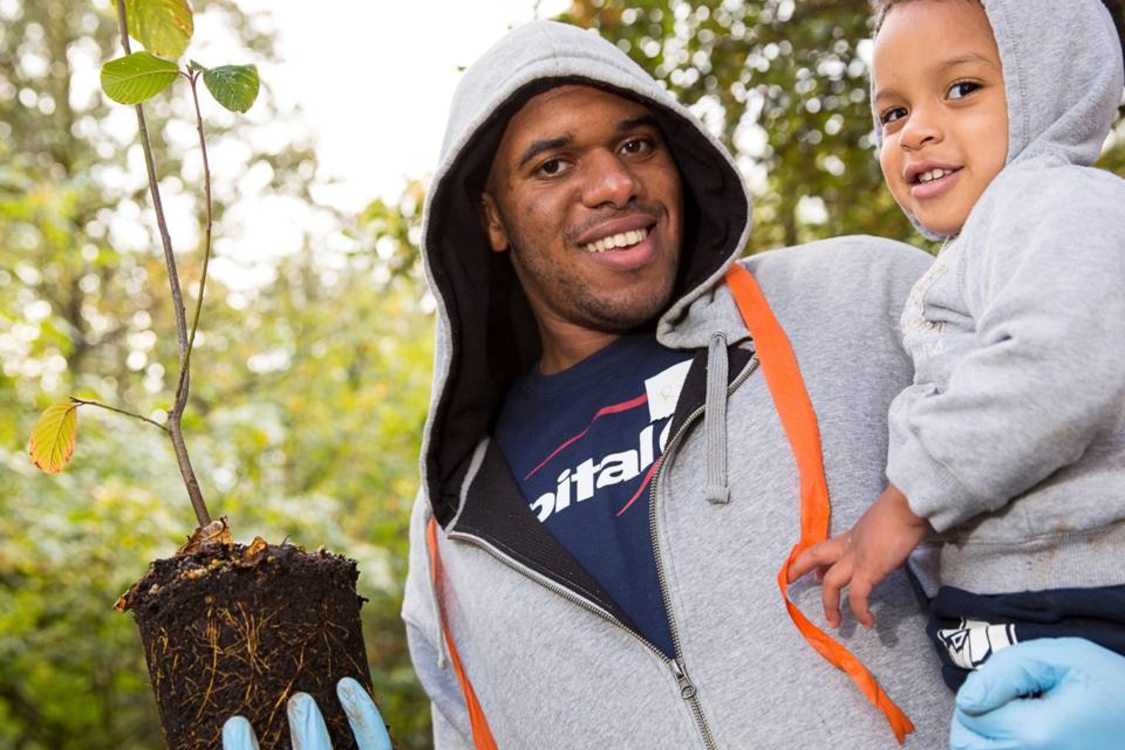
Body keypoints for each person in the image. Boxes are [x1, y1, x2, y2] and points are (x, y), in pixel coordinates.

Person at [221, 15, 1125, 750]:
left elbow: (1081, 411)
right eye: (553, 163)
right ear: (490, 218)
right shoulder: (451, 524)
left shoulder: (861, 298)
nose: (613, 182)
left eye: (638, 143)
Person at [789, 0, 1125, 695]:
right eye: (892, 114)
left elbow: (1061, 366)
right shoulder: (985, 239)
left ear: (1052, 83)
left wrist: (905, 503)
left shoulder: (1057, 203)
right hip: (1017, 602)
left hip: (1083, 597)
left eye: (961, 90)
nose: (916, 132)